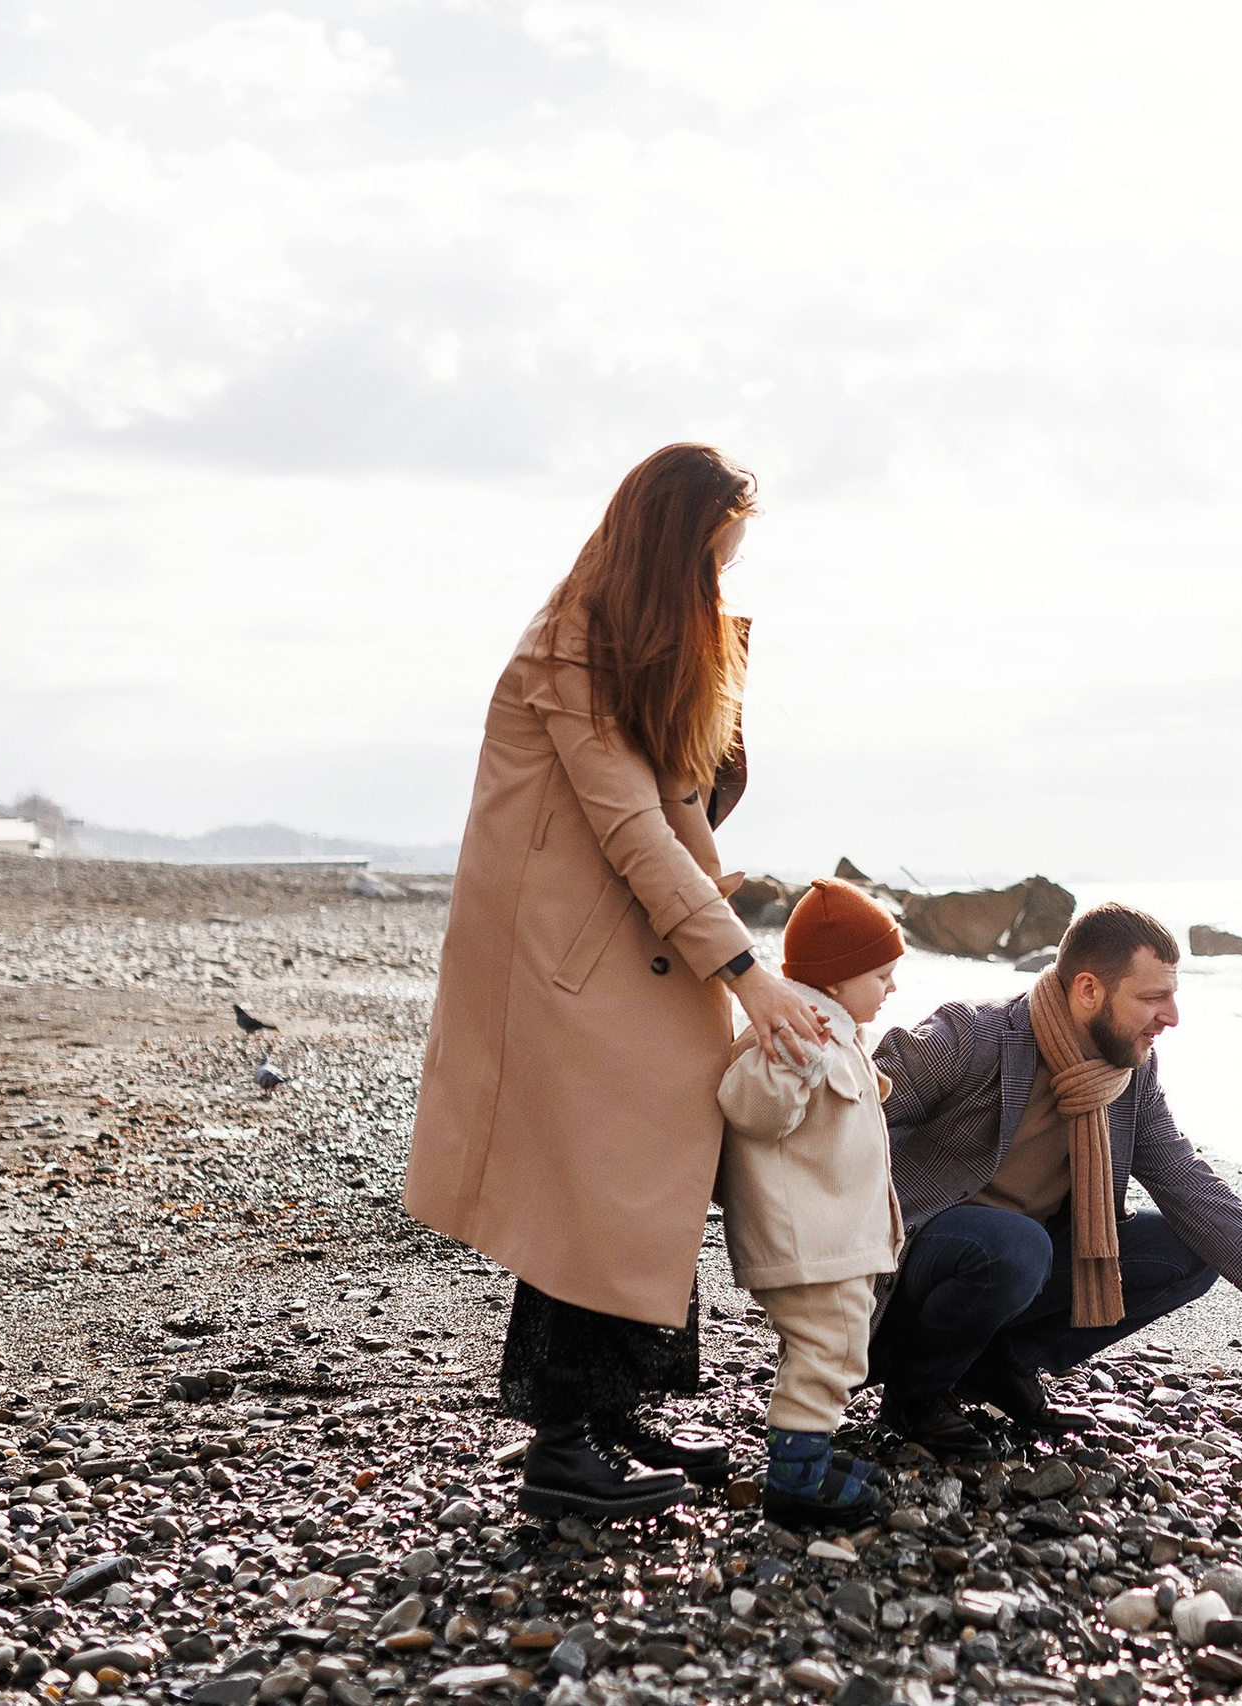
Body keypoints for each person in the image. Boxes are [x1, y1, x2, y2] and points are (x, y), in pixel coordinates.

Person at [402, 443, 829, 1522]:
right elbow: (634, 830)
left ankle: (614, 1410)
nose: (717, 586)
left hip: (620, 949)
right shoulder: (569, 652)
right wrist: (746, 971)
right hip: (559, 961)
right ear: (666, 550)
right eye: (710, 562)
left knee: (643, 1162)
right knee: (593, 1176)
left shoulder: (637, 645)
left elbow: (686, 804)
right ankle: (562, 1439)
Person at [870, 902, 1242, 1456]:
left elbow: (1188, 1184)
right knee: (1014, 1245)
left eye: (1171, 993)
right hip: (911, 1271)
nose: (1171, 1015)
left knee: (1184, 1247)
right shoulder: (972, 1037)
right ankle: (916, 1393)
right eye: (1151, 997)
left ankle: (995, 1366)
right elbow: (843, 1119)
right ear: (1089, 990)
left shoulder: (1130, 1071)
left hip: (1017, 1267)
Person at [715, 879, 907, 1527]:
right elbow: (749, 1107)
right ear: (839, 977)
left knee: (833, 1347)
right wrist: (795, 1062)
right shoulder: (800, 1033)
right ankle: (796, 1480)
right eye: (881, 974)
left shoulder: (837, 1030)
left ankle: (807, 1452)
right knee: (831, 1348)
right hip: (808, 1240)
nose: (892, 988)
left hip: (834, 1237)